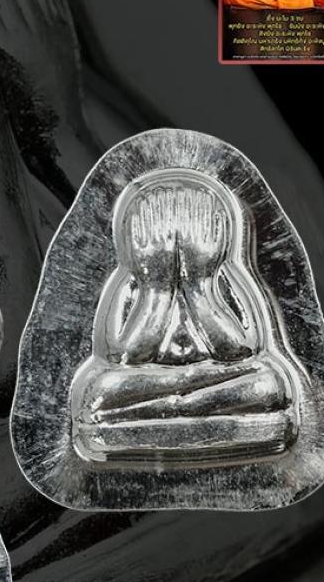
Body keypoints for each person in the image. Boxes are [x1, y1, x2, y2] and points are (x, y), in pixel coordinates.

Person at [71, 177, 300, 462]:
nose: (176, 244)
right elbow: (128, 354)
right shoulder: (131, 282)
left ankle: (172, 409)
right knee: (100, 389)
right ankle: (195, 408)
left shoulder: (222, 277)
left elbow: (238, 351)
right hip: (156, 382)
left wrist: (198, 284)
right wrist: (158, 287)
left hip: (211, 378)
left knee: (268, 383)